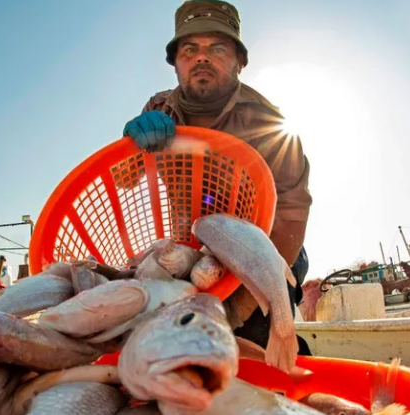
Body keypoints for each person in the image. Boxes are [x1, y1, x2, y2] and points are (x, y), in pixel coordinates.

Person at [122, 0, 312, 354]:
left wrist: (235, 309)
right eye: (189, 49)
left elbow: (290, 214)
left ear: (240, 61)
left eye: (217, 48)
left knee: (255, 337)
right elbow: (123, 179)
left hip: (265, 249)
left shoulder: (270, 123)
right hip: (193, 247)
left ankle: (285, 358)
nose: (201, 58)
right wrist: (130, 143)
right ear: (176, 62)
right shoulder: (158, 109)